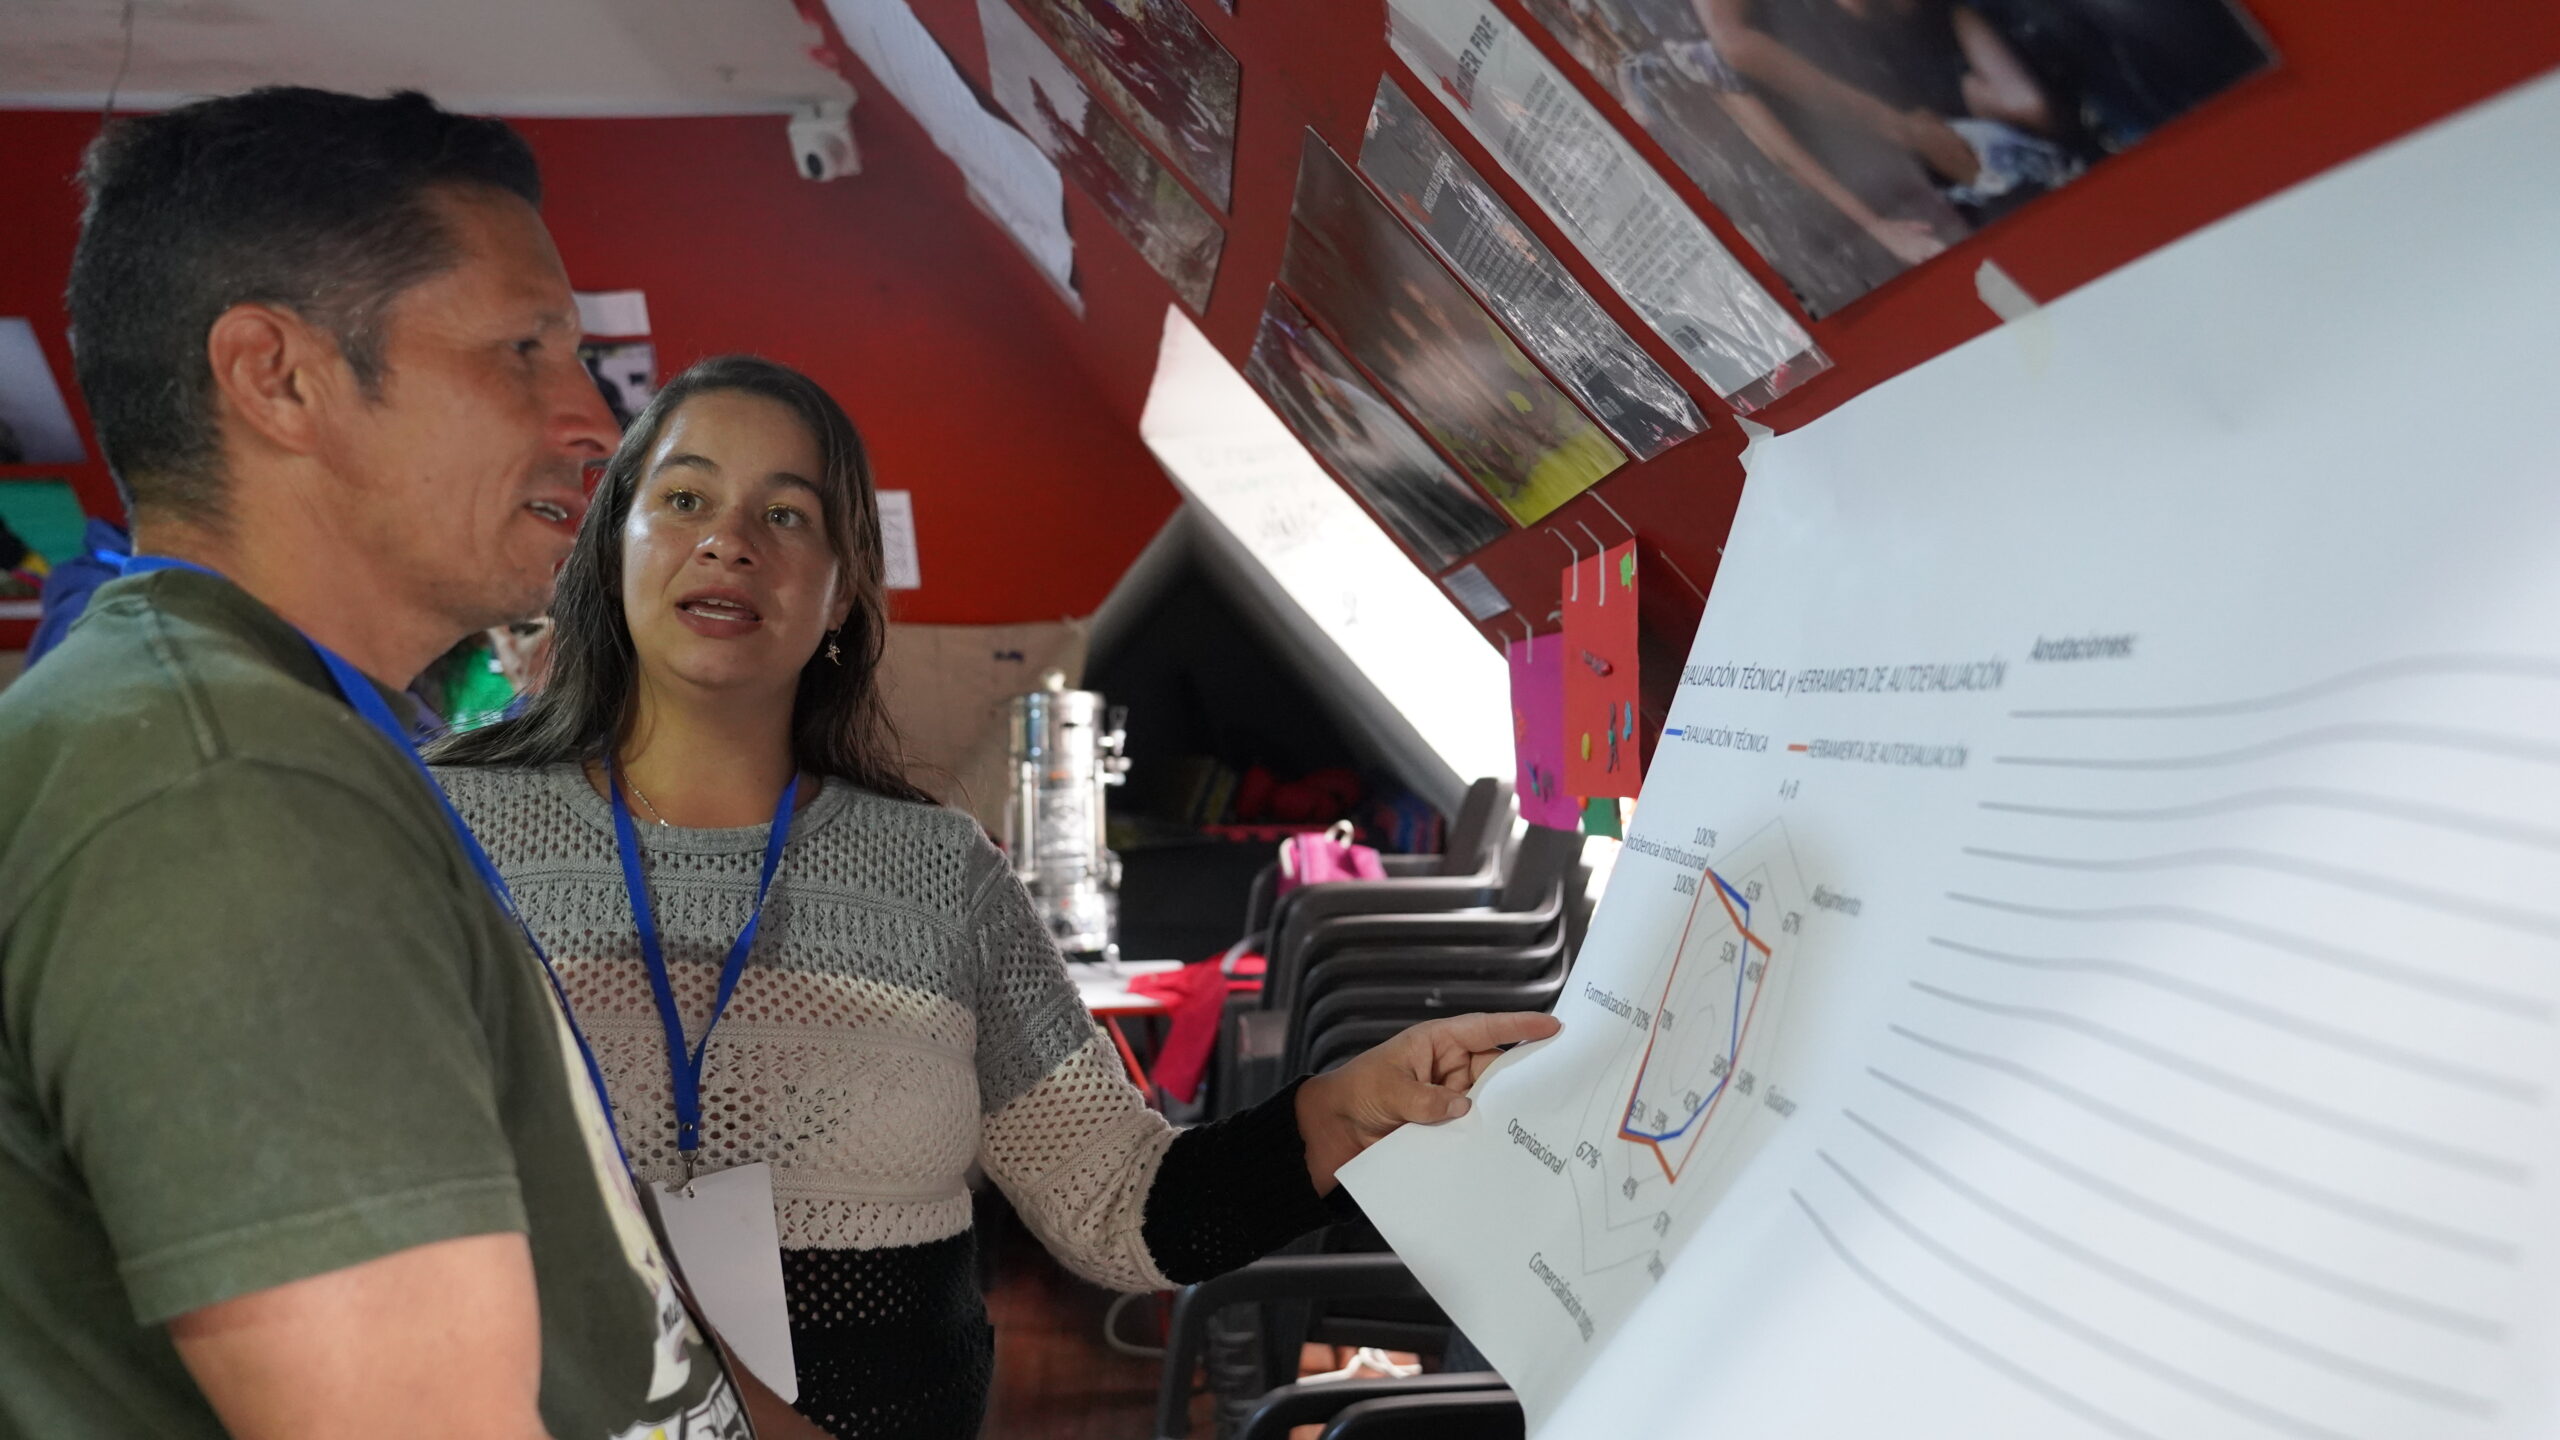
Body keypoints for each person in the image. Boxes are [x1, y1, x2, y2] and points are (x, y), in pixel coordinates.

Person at [426, 354, 1559, 1439]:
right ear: (611, 548)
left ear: (841, 594)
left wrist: (1350, 1105)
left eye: (787, 515)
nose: (729, 541)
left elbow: (1118, 1204)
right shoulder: (447, 832)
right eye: (684, 499)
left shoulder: (938, 874)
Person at [0, 87, 815, 1439]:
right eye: (523, 351)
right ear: (278, 377)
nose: (593, 423)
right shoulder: (232, 794)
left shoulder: (313, 730)